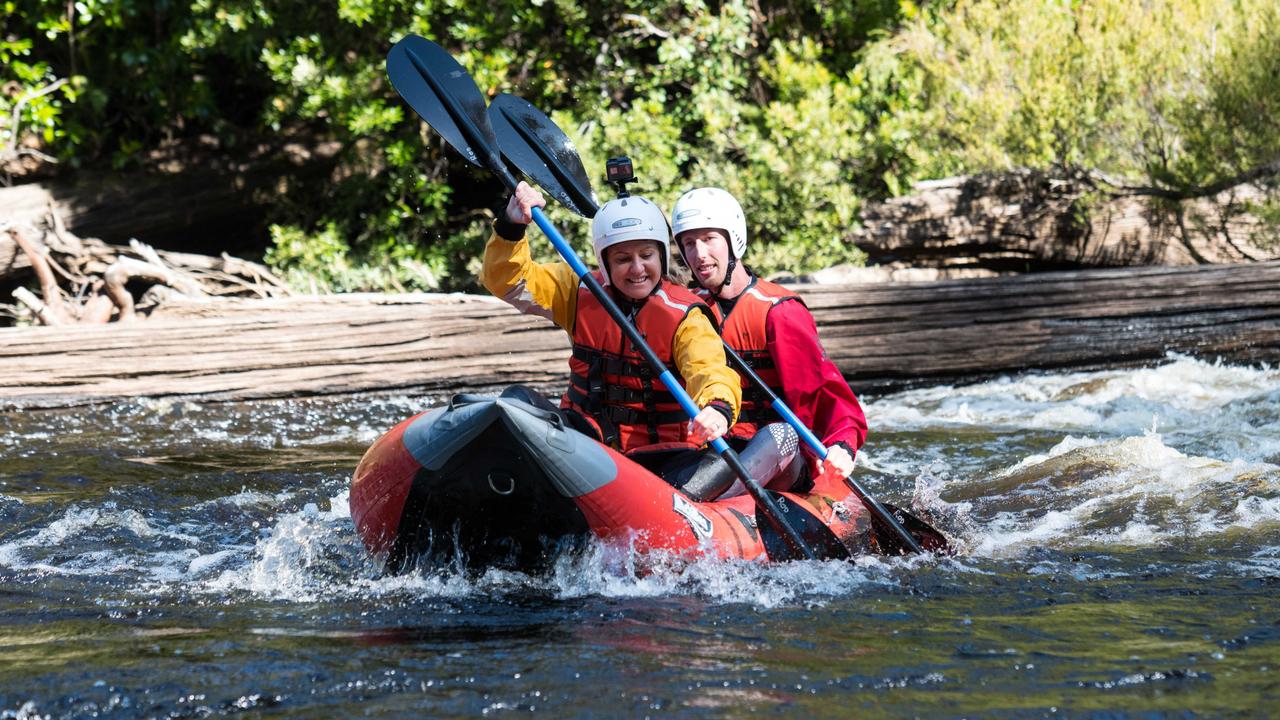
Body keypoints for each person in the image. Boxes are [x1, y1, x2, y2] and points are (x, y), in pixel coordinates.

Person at [480, 181, 742, 463]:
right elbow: (508, 282)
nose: (638, 268)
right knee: (517, 399)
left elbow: (709, 369)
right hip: (586, 442)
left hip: (664, 455)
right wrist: (510, 227)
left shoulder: (685, 316)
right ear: (605, 263)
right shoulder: (577, 291)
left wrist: (717, 407)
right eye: (623, 259)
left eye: (646, 255)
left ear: (662, 256)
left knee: (717, 465)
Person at [670, 187, 868, 494]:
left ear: (732, 239)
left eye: (709, 239)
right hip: (711, 454)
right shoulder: (685, 310)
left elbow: (828, 394)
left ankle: (696, 505)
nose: (699, 254)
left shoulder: (779, 311)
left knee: (780, 434)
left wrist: (842, 445)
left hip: (780, 456)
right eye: (689, 243)